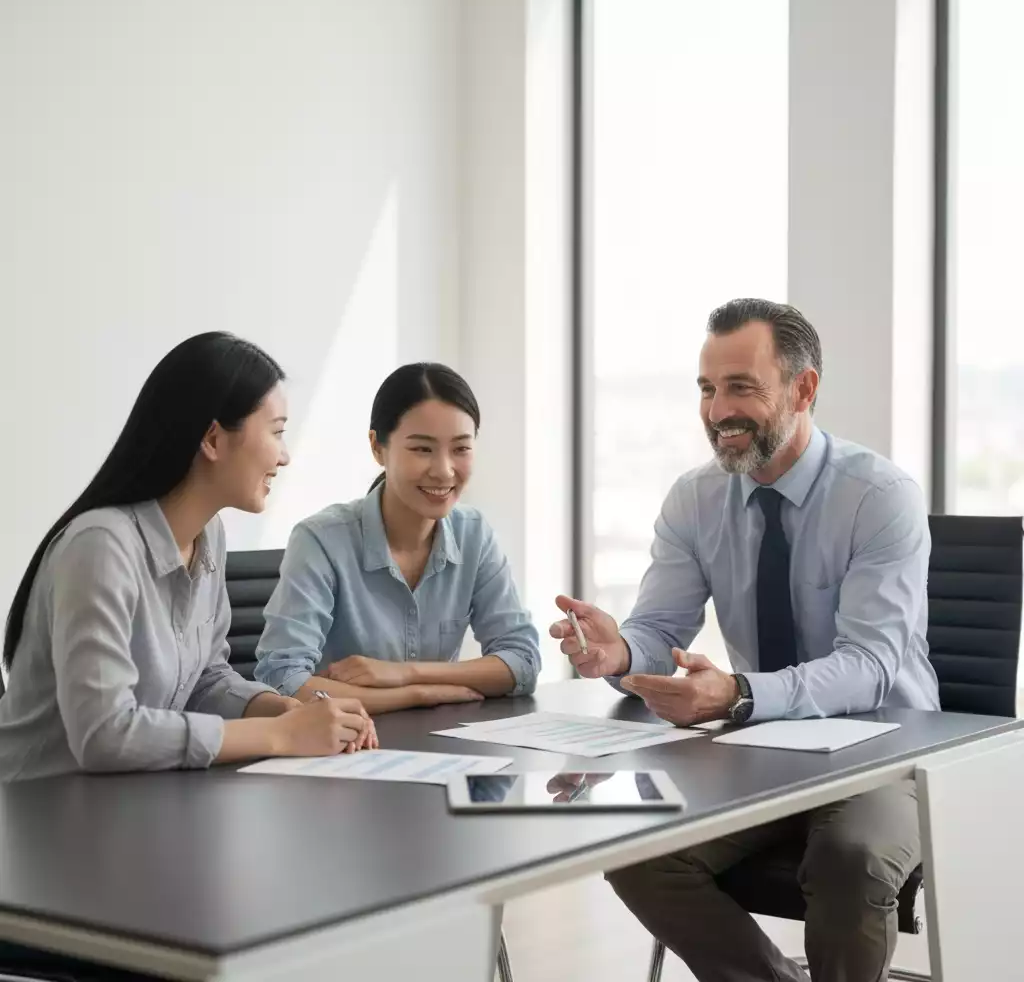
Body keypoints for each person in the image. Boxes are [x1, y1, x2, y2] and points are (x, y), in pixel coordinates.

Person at [550, 299, 939, 982]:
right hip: (762, 752)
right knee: (636, 847)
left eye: (740, 388)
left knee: (850, 859)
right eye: (706, 388)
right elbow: (658, 631)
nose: (716, 410)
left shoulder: (880, 497)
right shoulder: (695, 499)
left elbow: (871, 666)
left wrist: (738, 693)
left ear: (804, 388)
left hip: (888, 749)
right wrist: (619, 653)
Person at [0, 332, 376, 785]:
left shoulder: (207, 535)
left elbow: (205, 680)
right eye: (276, 432)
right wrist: (277, 735)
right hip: (41, 818)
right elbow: (104, 735)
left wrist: (279, 708)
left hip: (132, 805)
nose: (285, 456)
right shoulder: (100, 547)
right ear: (213, 439)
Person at [254, 362, 541, 714]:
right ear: (378, 447)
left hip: (443, 750)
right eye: (422, 449)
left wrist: (404, 674)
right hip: (339, 750)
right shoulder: (321, 540)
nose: (444, 470)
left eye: (461, 449)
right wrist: (415, 695)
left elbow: (522, 661)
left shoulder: (474, 534)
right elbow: (281, 679)